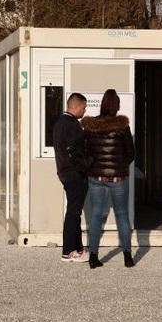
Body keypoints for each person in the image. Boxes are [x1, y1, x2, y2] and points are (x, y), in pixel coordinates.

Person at [81, 89, 136, 269]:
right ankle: (128, 257)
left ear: (103, 104)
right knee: (122, 214)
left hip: (96, 177)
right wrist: (119, 166)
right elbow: (131, 154)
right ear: (116, 106)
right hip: (118, 178)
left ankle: (93, 257)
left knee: (96, 214)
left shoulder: (90, 126)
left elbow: (86, 151)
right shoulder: (123, 127)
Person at [52, 93, 90, 263]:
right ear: (75, 106)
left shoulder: (59, 123)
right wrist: (86, 166)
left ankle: (78, 248)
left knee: (75, 212)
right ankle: (68, 252)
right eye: (84, 107)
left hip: (64, 172)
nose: (85, 110)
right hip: (75, 174)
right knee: (73, 213)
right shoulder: (73, 125)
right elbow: (76, 152)